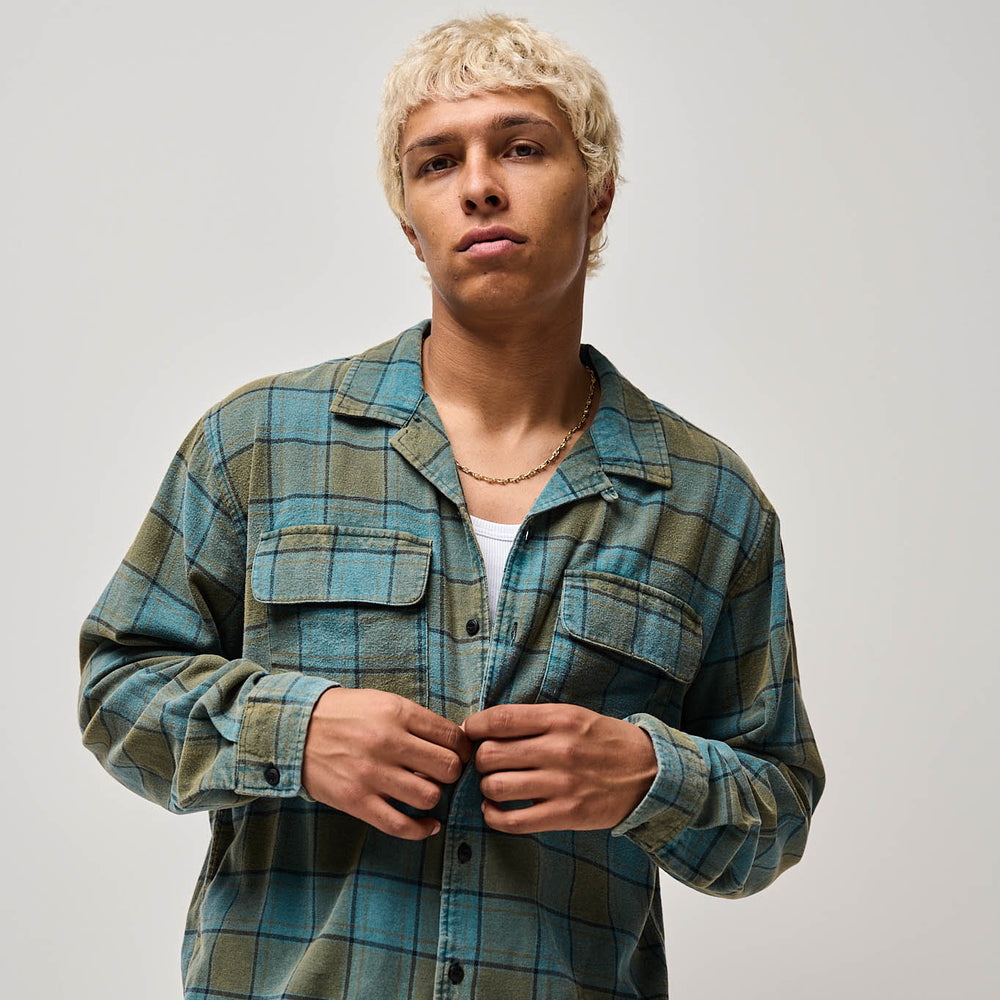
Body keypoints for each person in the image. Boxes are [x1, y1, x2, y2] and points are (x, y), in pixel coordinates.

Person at [78, 13, 824, 999]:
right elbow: (117, 687)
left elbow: (776, 805)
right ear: (409, 223)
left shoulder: (707, 500)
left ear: (598, 197)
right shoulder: (257, 443)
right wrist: (294, 732)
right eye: (437, 162)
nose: (479, 185)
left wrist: (647, 775)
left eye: (522, 147)